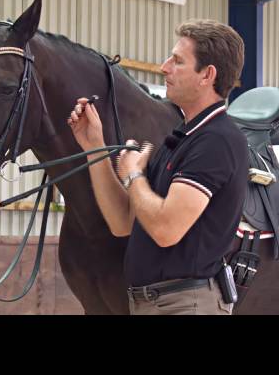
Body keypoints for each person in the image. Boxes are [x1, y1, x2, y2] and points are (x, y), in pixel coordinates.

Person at [67, 19, 248, 315]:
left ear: (207, 75)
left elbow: (166, 229)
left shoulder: (216, 142)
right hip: (152, 303)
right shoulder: (180, 139)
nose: (164, 67)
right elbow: (122, 222)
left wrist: (135, 175)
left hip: (185, 305)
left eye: (177, 61)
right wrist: (95, 148)